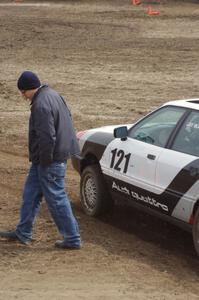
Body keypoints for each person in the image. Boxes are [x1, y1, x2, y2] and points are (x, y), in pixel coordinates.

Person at [0, 71, 81, 249]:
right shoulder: (52, 94)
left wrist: (45, 162)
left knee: (57, 199)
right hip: (47, 159)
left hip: (50, 160)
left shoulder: (41, 105)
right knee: (30, 195)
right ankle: (23, 232)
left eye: (23, 92)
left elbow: (47, 137)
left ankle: (72, 239)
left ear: (29, 89)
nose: (23, 96)